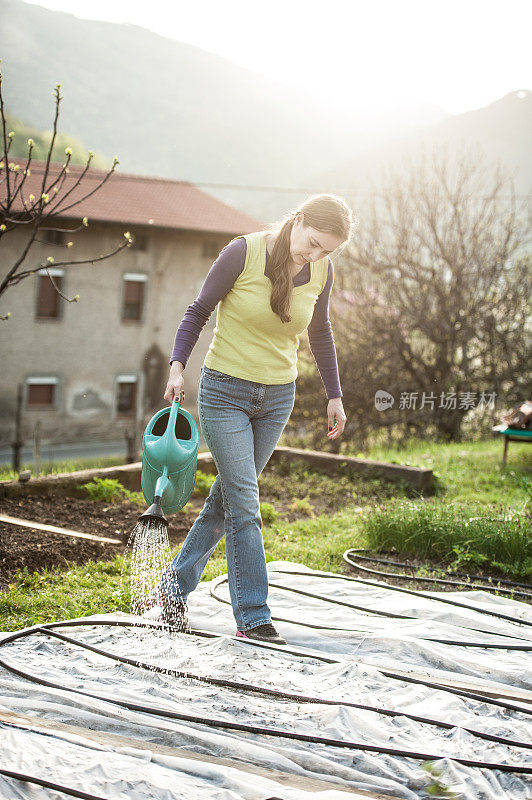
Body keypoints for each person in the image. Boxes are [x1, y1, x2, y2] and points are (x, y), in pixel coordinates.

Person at [160, 193, 353, 645]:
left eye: (327, 249)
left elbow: (320, 332)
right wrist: (176, 365)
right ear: (299, 220)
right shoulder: (242, 253)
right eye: (314, 242)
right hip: (224, 391)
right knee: (245, 501)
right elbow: (198, 311)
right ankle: (253, 616)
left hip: (277, 398)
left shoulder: (321, 271)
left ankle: (171, 590)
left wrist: (335, 395)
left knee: (225, 501)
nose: (316, 254)